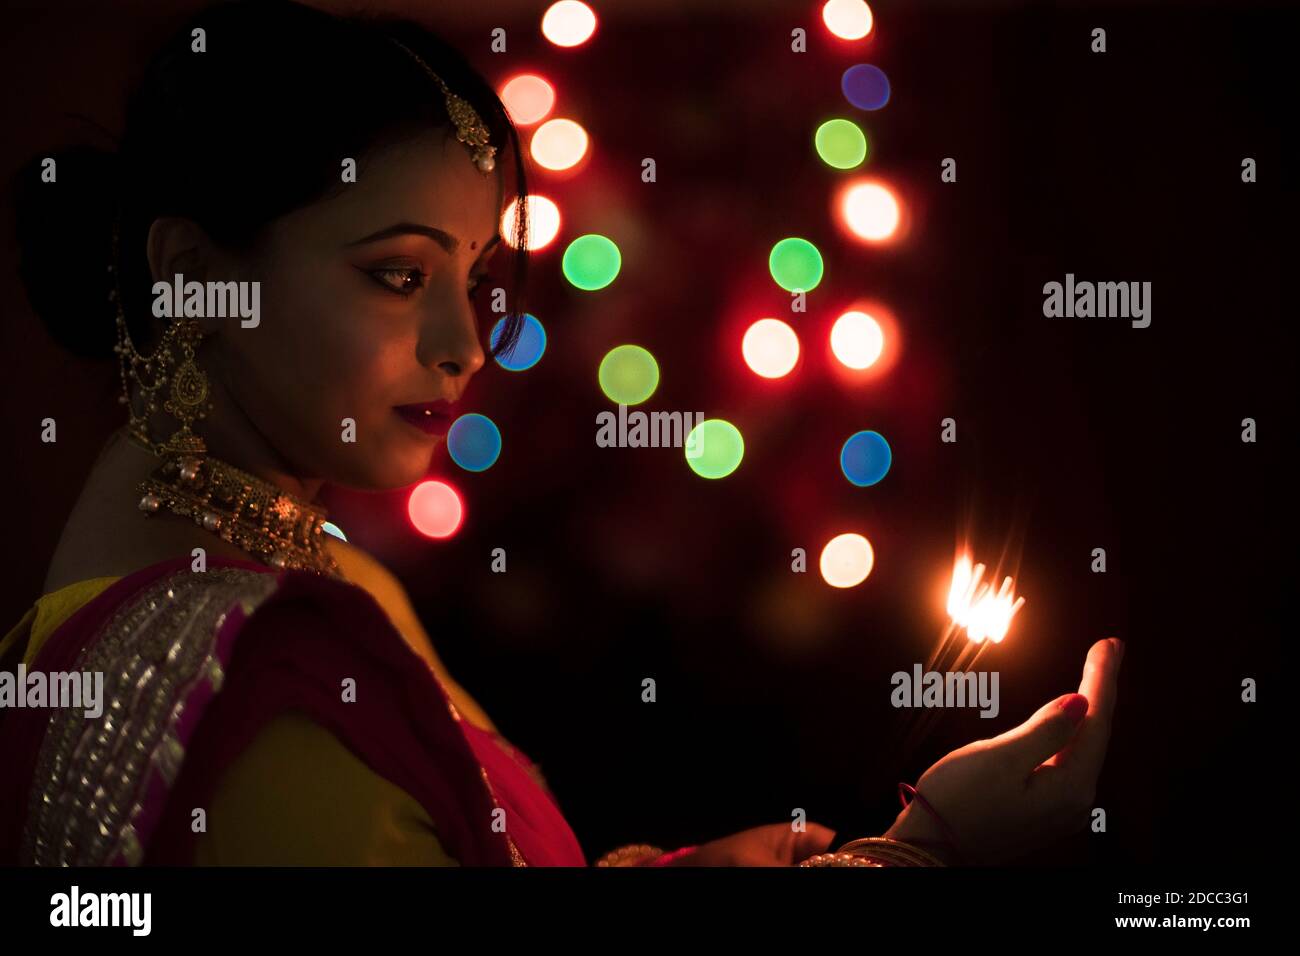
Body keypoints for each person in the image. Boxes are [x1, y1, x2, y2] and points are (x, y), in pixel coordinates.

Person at [0, 0, 1121, 867]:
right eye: (397, 274)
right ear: (196, 276)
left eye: (478, 274)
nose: (465, 340)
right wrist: (917, 855)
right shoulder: (253, 679)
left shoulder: (297, 570)